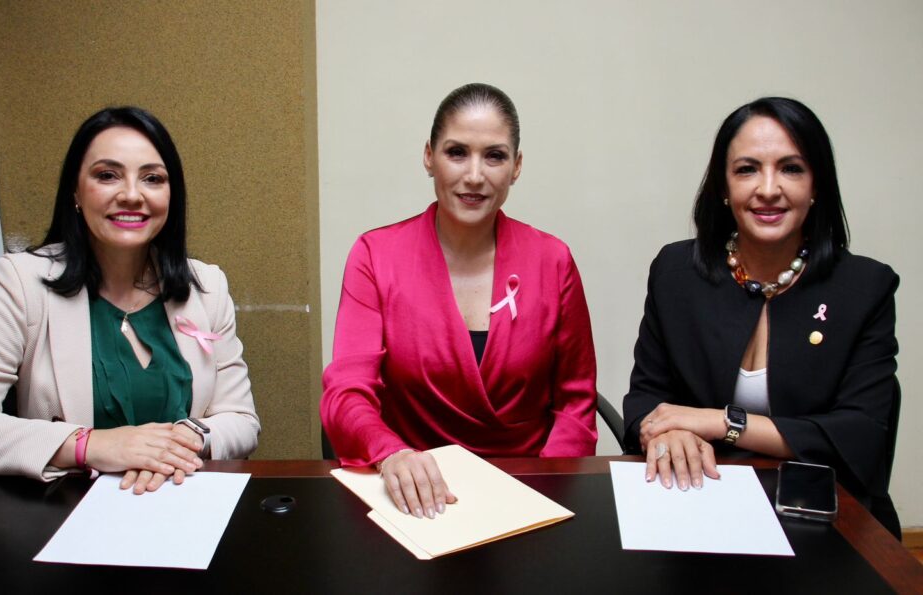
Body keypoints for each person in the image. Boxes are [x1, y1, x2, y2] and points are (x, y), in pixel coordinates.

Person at [0, 107, 260, 493]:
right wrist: (91, 445)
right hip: (66, 508)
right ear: (76, 192)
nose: (132, 195)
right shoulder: (22, 283)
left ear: (171, 195)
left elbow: (241, 420)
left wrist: (180, 441)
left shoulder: (207, 286)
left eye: (152, 178)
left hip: (180, 500)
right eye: (107, 175)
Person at [623, 97, 900, 536]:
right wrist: (665, 433)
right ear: (723, 186)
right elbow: (645, 399)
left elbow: (860, 435)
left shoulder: (865, 287)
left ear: (816, 185)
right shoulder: (676, 272)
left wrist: (723, 423)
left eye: (791, 168)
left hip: (821, 513)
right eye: (747, 169)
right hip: (703, 497)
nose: (768, 188)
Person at [321, 83, 598, 519]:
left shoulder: (553, 260)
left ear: (516, 166)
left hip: (529, 491)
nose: (474, 175)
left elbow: (575, 405)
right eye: (456, 152)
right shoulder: (375, 255)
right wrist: (391, 453)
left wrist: (547, 491)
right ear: (428, 156)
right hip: (414, 494)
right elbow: (346, 394)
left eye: (494, 156)